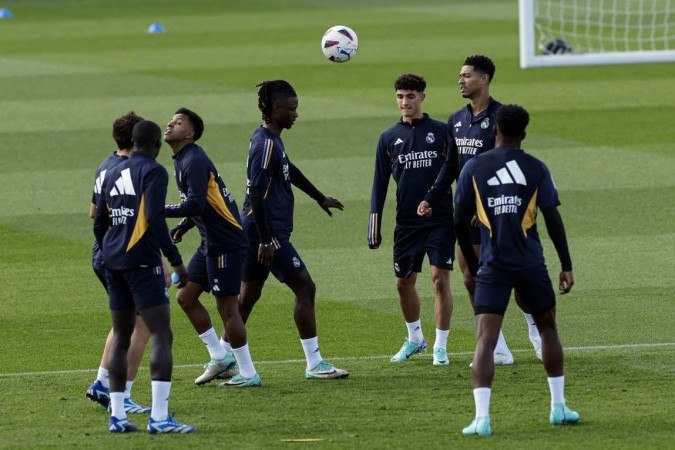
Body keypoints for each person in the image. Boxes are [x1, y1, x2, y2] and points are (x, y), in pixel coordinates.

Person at [454, 104, 579, 436]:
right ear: (523, 133)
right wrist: (566, 265)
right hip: (530, 262)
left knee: (485, 338)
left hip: (492, 264)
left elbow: (457, 220)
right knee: (548, 329)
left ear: (495, 129)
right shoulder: (536, 168)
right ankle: (558, 407)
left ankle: (481, 419)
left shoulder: (474, 169)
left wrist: (474, 263)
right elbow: (553, 219)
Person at [418, 55, 542, 364]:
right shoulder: (456, 119)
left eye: (467, 76)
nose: (460, 80)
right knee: (472, 276)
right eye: (460, 76)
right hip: (468, 212)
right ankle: (496, 345)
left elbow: (511, 164)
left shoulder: (502, 117)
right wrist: (431, 197)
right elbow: (451, 164)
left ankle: (534, 328)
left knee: (516, 276)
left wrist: (489, 204)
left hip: (499, 212)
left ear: (484, 79)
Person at [239, 80, 348, 380]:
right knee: (304, 287)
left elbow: (289, 169)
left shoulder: (271, 140)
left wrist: (318, 197)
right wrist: (265, 240)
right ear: (275, 110)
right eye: (292, 109)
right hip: (266, 230)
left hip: (257, 228)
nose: (296, 114)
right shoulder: (265, 144)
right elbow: (257, 196)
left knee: (249, 294)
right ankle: (314, 363)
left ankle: (224, 355)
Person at [93, 120, 195, 433]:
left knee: (122, 336)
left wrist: (109, 249)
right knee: (161, 334)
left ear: (134, 143)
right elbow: (154, 217)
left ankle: (118, 416)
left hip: (113, 262)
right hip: (141, 263)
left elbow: (100, 221)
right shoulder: (153, 171)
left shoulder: (112, 170)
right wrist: (176, 262)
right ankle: (160, 417)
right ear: (156, 145)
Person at [164, 107, 260, 388]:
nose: (170, 124)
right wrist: (183, 225)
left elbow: (195, 203)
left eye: (178, 122)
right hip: (211, 242)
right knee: (186, 297)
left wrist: (157, 210)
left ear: (190, 133)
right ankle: (220, 358)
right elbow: (203, 203)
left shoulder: (193, 159)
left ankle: (248, 372)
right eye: (170, 121)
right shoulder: (182, 158)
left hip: (226, 243)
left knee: (228, 309)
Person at [368, 74, 457, 366]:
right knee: (403, 283)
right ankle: (415, 338)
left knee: (439, 280)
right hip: (406, 222)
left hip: (440, 218)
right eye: (400, 97)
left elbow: (453, 171)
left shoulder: (442, 131)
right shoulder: (388, 138)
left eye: (410, 96)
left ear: (422, 97)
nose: (404, 102)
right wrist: (374, 224)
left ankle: (440, 346)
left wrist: (432, 200)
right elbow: (379, 184)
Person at [86, 112, 153, 414]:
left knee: (125, 322)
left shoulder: (106, 164)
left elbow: (93, 212)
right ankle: (122, 393)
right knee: (143, 325)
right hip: (124, 255)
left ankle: (102, 382)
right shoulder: (133, 171)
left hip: (102, 251)